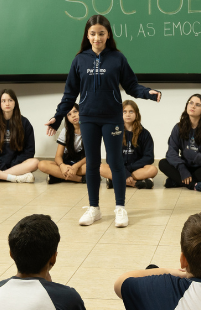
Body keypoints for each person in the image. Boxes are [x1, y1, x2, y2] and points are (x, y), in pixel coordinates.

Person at [44, 15, 162, 228]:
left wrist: (148, 93)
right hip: (88, 118)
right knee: (93, 163)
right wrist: (57, 117)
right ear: (87, 36)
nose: (97, 38)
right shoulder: (79, 60)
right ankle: (94, 209)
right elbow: (69, 94)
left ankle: (120, 208)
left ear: (108, 35)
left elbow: (132, 86)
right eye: (93, 34)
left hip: (112, 118)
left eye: (101, 33)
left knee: (115, 162)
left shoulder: (117, 58)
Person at [159, 95, 201, 194]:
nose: (192, 106)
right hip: (185, 166)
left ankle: (177, 181)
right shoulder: (178, 127)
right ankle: (194, 185)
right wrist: (182, 168)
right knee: (163, 163)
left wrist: (195, 157)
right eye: (190, 103)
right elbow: (171, 152)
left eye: (197, 105)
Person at [102, 100, 157, 190]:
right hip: (119, 168)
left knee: (153, 169)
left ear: (136, 114)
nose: (128, 114)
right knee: (100, 167)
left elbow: (149, 157)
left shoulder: (145, 133)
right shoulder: (114, 133)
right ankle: (135, 183)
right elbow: (110, 157)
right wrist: (124, 171)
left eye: (131, 111)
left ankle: (116, 180)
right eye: (124, 112)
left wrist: (128, 169)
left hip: (137, 169)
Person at [39, 104, 87, 184]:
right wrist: (62, 166)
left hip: (81, 164)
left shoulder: (89, 129)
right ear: (67, 118)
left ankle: (59, 177)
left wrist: (76, 166)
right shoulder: (65, 131)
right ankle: (80, 179)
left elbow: (91, 156)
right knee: (42, 164)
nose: (73, 116)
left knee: (97, 166)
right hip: (67, 162)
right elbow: (58, 156)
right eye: (69, 114)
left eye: (75, 111)